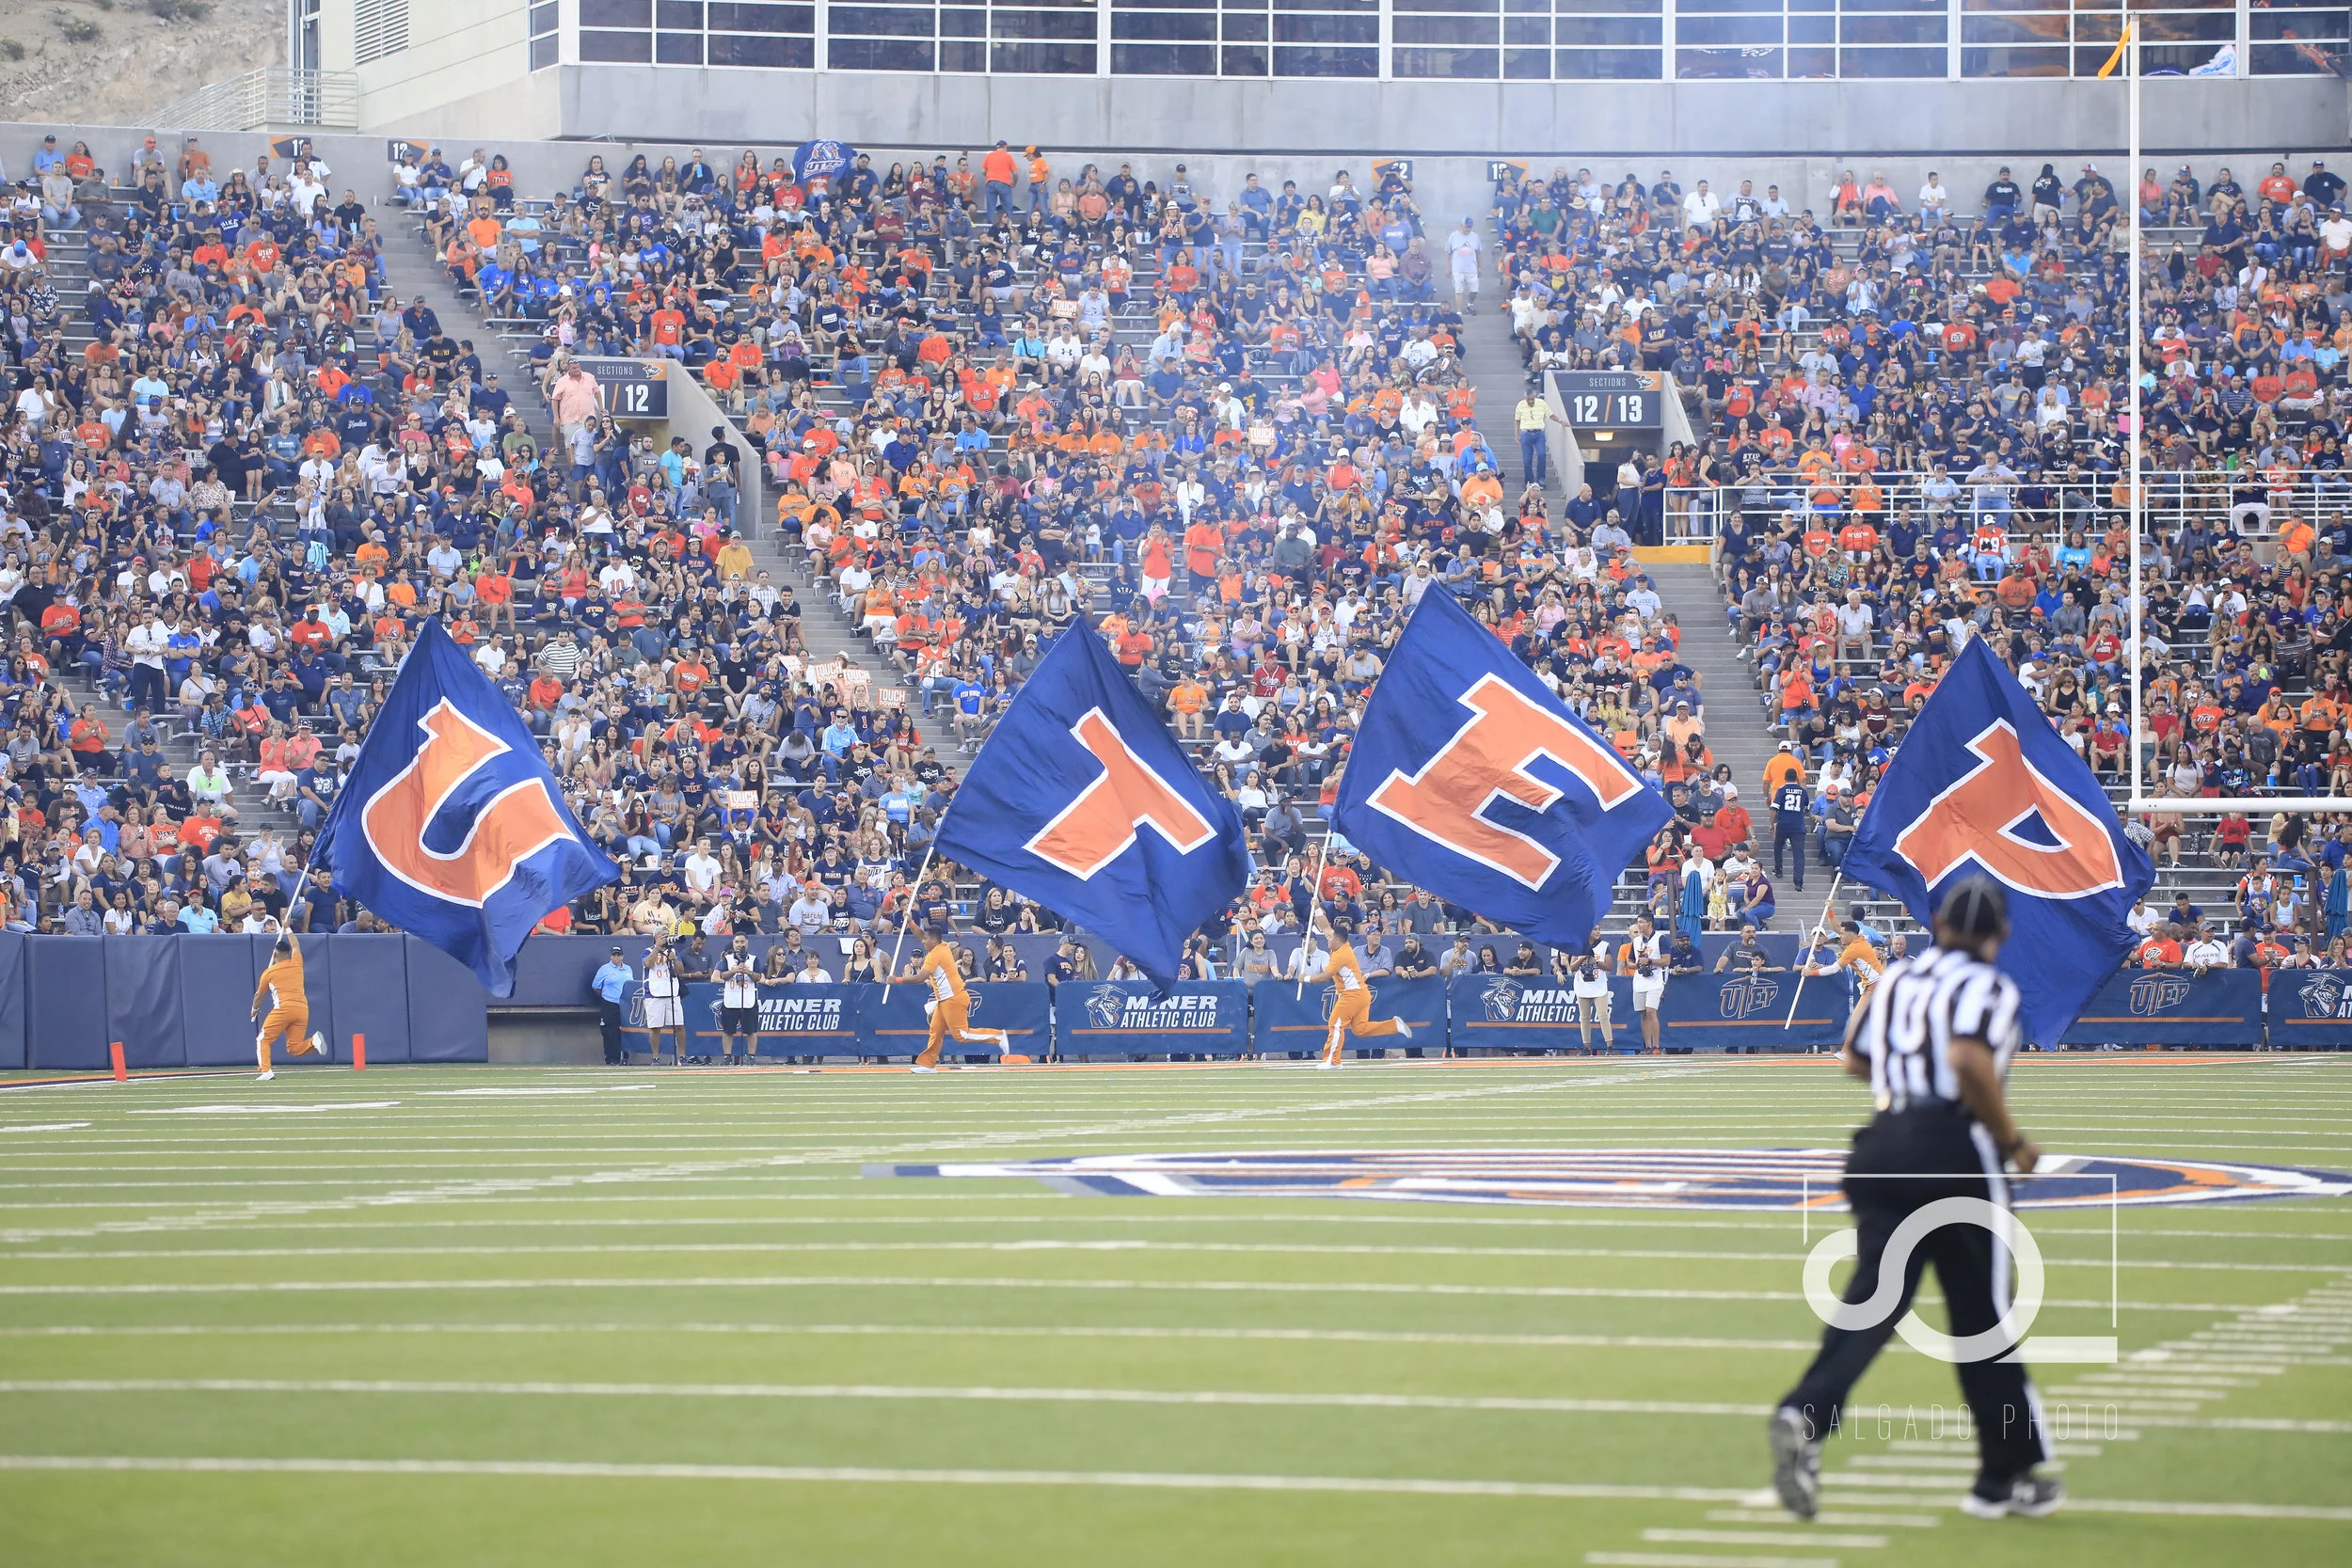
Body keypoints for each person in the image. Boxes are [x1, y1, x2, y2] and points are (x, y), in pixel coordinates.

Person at [1769, 878, 2062, 1524]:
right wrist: (2012, 1140)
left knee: (1874, 1297)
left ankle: (1807, 1410)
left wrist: (1908, 1075)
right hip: (1951, 1147)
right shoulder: (1989, 987)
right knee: (1980, 1316)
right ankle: (2003, 1474)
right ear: (2001, 933)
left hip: (1881, 1143)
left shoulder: (1899, 979)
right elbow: (1965, 1058)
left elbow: (1854, 1056)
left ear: (1938, 921)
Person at [1301, 912, 1411, 1068]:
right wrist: (1318, 908)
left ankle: (1333, 1061)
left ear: (1337, 940)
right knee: (1360, 1029)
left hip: (1351, 995)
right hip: (1360, 994)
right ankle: (1394, 1026)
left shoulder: (1342, 955)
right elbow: (1325, 927)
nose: (1327, 940)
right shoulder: (1341, 944)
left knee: (1336, 1024)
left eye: (1330, 939)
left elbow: (1325, 977)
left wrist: (1305, 978)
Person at [906, 920, 1007, 1071]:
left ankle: (997, 1036)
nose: (923, 941)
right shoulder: (942, 945)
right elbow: (922, 935)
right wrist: (911, 923)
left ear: (933, 940)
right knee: (935, 1031)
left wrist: (896, 980)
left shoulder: (935, 955)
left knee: (961, 1035)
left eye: (926, 940)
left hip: (953, 998)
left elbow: (920, 978)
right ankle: (928, 1064)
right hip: (944, 999)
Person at [250, 933, 326, 1081]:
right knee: (294, 1048)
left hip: (283, 1009)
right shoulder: (297, 962)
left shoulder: (268, 972)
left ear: (274, 954)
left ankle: (266, 1070)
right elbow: (296, 945)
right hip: (302, 1009)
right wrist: (288, 928)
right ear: (288, 953)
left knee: (262, 1040)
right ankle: (313, 1041)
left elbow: (259, 995)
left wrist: (254, 1009)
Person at [640, 938, 687, 1063]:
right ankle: (655, 1057)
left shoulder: (673, 951)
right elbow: (648, 963)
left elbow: (681, 971)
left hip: (672, 991)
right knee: (655, 1027)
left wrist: (674, 959)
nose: (665, 938)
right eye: (662, 935)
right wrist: (657, 948)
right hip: (654, 993)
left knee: (679, 1025)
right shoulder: (647, 951)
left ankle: (682, 1056)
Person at [717, 934, 760, 1065]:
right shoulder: (727, 959)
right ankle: (727, 1056)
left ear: (747, 943)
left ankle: (751, 1056)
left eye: (742, 941)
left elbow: (758, 977)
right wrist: (735, 970)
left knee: (751, 1030)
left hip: (748, 999)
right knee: (728, 1030)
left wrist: (748, 972)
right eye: (737, 941)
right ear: (733, 943)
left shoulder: (753, 959)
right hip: (731, 999)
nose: (739, 944)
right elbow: (722, 975)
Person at [590, 945, 633, 1066]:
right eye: (614, 955)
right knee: (610, 1032)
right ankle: (612, 1059)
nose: (616, 957)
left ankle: (624, 1057)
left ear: (622, 956)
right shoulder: (604, 969)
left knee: (625, 1031)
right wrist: (607, 995)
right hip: (610, 1003)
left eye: (618, 955)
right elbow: (596, 986)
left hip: (625, 1004)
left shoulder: (628, 969)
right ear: (610, 956)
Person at [1570, 946, 1613, 1051]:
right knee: (1584, 1017)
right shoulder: (1578, 945)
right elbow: (1572, 968)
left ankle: (1609, 1046)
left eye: (1599, 929)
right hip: (1582, 984)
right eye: (1595, 929)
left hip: (1599, 985)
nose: (1598, 932)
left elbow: (1609, 966)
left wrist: (1596, 962)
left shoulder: (1604, 945)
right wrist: (1581, 959)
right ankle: (1587, 1047)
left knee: (1603, 1016)